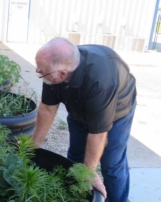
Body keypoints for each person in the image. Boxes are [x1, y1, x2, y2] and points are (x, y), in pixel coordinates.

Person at [32, 37, 136, 202]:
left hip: (116, 112)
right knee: (76, 155)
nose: (39, 72)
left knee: (111, 164)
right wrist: (33, 146)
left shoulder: (101, 80)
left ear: (63, 73)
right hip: (79, 109)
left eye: (41, 71)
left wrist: (89, 171)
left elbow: (99, 133)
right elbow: (47, 108)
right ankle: (76, 195)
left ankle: (118, 199)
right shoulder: (53, 67)